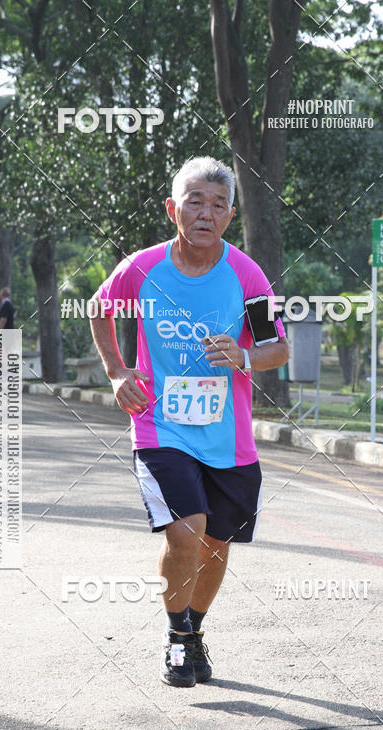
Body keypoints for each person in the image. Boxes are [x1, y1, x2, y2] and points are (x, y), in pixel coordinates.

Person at [90, 157, 289, 687]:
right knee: (186, 532)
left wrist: (245, 357)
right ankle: (177, 638)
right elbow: (97, 309)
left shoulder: (246, 274)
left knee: (216, 543)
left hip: (229, 437)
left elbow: (277, 347)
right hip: (161, 427)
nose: (206, 213)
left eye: (219, 205)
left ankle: (194, 629)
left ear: (230, 216)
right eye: (195, 201)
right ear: (172, 209)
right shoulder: (142, 268)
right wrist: (116, 371)